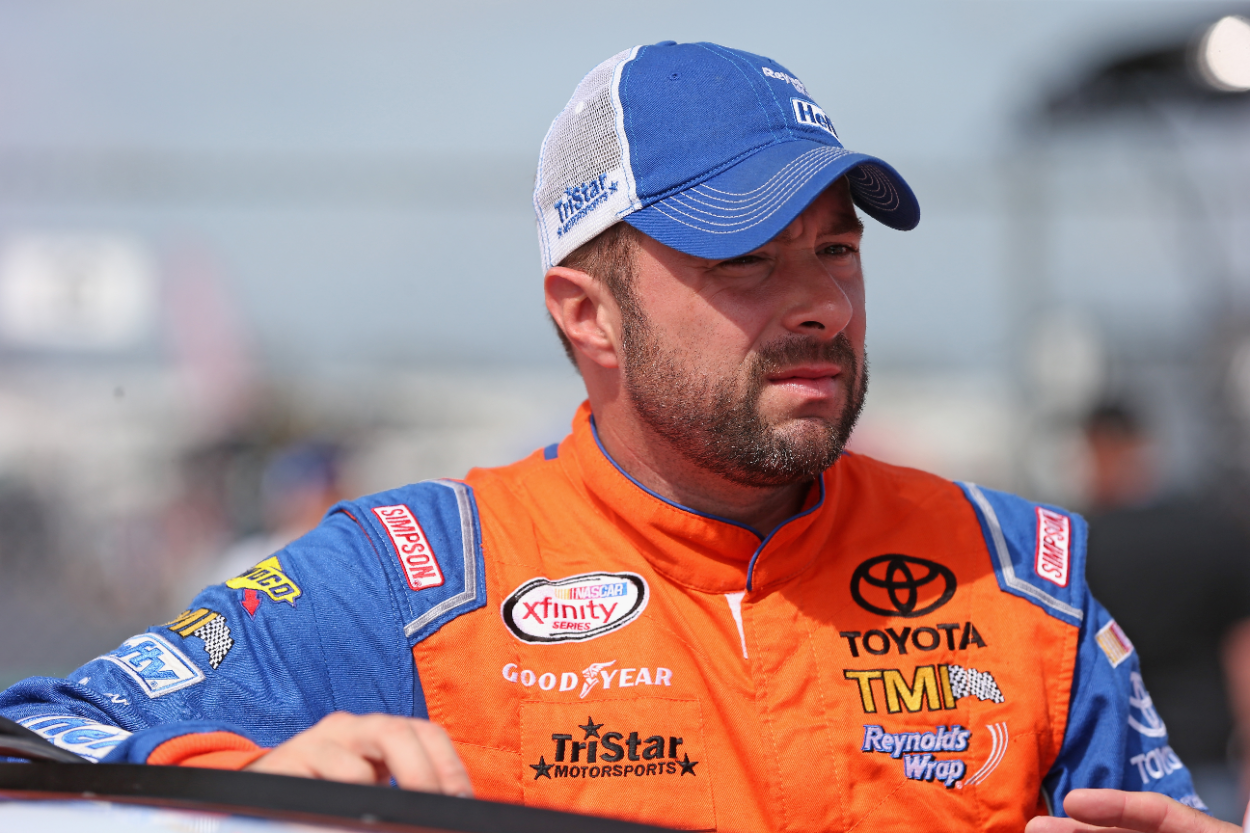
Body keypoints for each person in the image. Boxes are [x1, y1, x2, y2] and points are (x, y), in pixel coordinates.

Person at [0, 41, 1237, 833]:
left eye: (836, 249)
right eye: (744, 257)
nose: (817, 302)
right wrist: (245, 787)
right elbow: (40, 746)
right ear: (585, 313)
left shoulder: (1020, 572)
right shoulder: (415, 573)